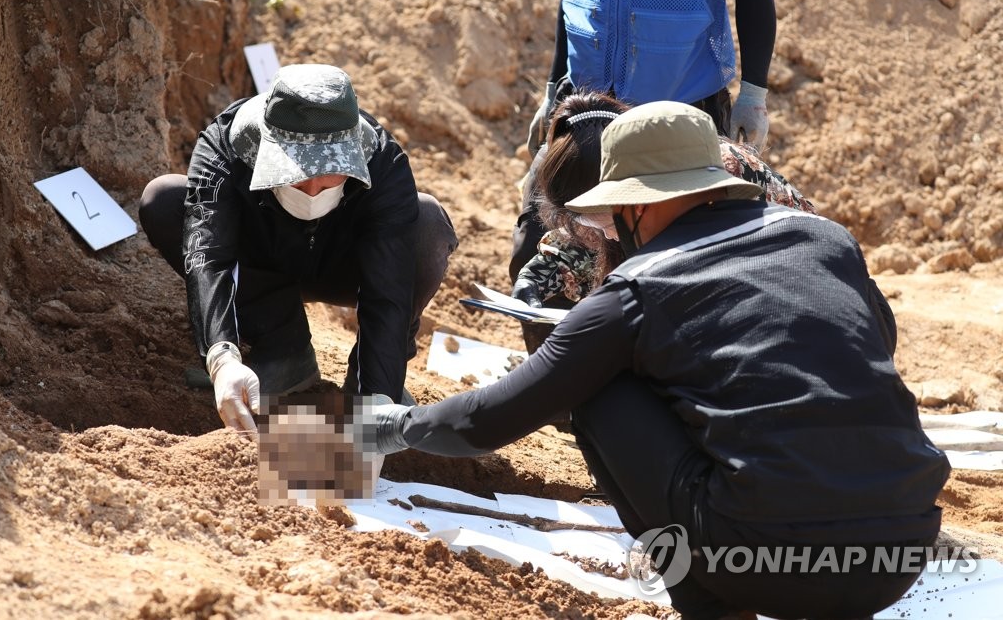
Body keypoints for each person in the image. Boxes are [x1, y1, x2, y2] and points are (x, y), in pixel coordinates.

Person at [371, 102, 949, 620]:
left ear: (636, 207)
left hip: (762, 563)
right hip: (902, 552)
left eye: (607, 218)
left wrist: (393, 426)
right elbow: (879, 334)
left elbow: (485, 421)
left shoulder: (638, 287)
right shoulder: (826, 240)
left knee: (597, 389)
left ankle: (711, 611)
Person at [139, 64, 457, 436]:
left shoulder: (383, 161)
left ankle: (365, 386)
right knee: (164, 200)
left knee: (428, 223)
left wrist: (376, 400)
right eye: (297, 172)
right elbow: (208, 254)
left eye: (330, 174)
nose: (313, 190)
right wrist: (222, 357)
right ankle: (283, 348)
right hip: (262, 261)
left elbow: (389, 291)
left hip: (347, 266)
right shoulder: (227, 146)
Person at [513, 0, 777, 283]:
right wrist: (553, 88)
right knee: (535, 248)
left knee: (672, 256)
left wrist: (754, 92)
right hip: (588, 106)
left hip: (678, 113)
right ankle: (565, 334)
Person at [512, 89, 817, 354]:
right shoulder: (624, 197)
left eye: (601, 218)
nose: (603, 233)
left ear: (626, 190)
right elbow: (580, 240)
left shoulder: (711, 182)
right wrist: (534, 277)